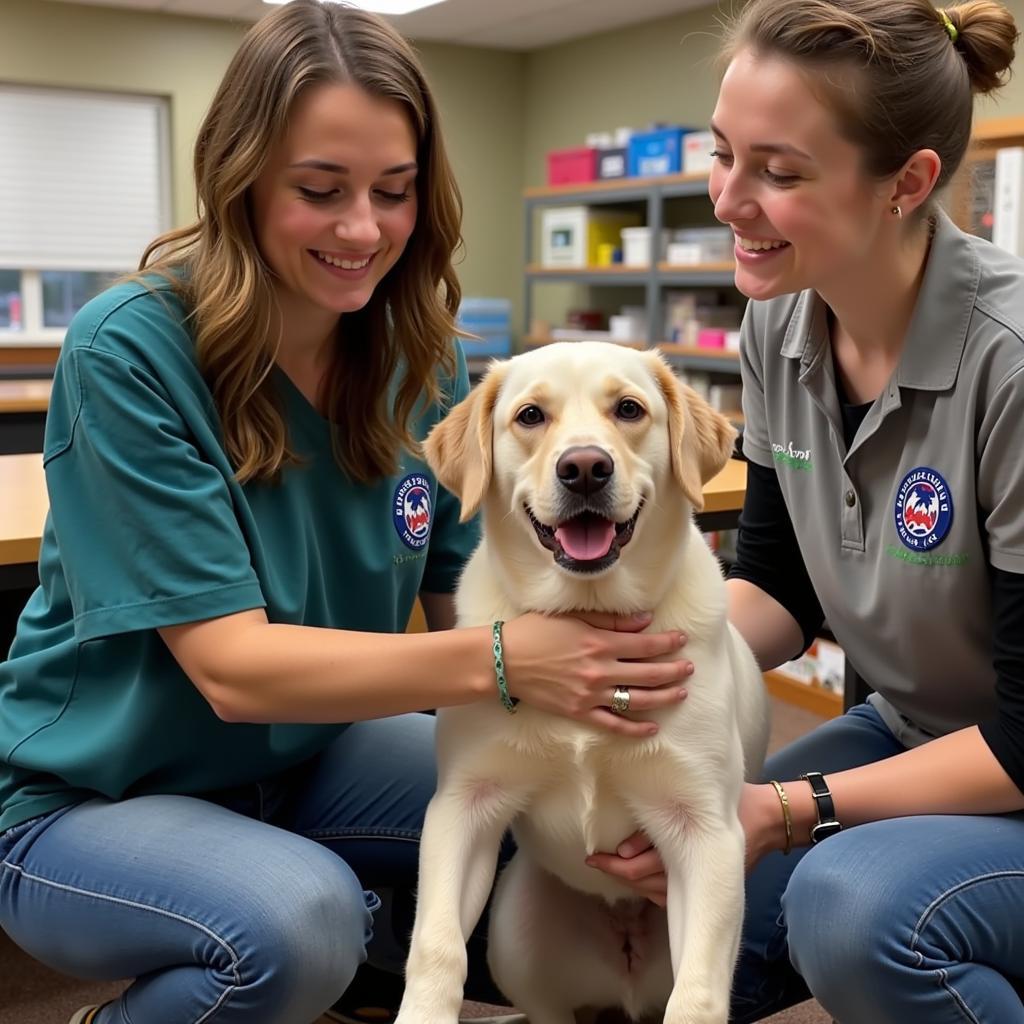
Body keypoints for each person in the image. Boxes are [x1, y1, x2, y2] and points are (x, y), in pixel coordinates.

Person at [0, 3, 694, 1023]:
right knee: (300, 924)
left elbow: (476, 593)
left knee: (544, 805)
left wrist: (625, 741)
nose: (362, 229)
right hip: (91, 797)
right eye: (319, 190)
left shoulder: (424, 358)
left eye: (394, 192)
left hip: (314, 752)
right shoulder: (129, 351)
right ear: (240, 180)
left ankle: (355, 949)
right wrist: (510, 659)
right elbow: (234, 669)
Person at [585, 1, 1024, 1021]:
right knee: (676, 899)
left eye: (778, 173)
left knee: (851, 909)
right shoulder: (778, 320)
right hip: (915, 729)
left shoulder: (1008, 365)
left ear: (907, 184)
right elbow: (776, 585)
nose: (728, 200)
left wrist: (786, 809)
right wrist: (630, 663)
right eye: (721, 154)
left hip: (1009, 755)